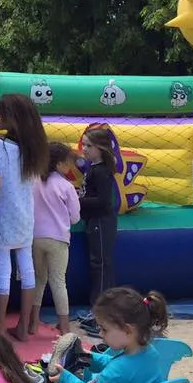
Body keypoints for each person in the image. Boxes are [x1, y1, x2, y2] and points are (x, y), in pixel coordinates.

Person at [0, 94, 49, 340]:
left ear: (12, 119)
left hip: (2, 215)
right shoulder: (34, 150)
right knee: (27, 269)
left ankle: (0, 325)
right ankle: (24, 324)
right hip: (25, 217)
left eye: (1, 113)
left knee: (2, 272)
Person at [31, 142, 81, 335]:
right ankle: (65, 326)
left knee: (39, 279)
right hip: (58, 239)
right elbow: (75, 217)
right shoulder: (66, 186)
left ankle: (32, 322)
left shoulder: (35, 181)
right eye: (68, 162)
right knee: (58, 281)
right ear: (59, 164)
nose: (71, 166)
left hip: (36, 237)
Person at [78, 127, 119, 336]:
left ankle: (100, 317)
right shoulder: (93, 168)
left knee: (100, 265)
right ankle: (98, 312)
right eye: (83, 144)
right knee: (98, 265)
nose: (84, 149)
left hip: (101, 222)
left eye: (89, 145)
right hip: (95, 221)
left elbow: (103, 202)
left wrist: (78, 200)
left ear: (101, 148)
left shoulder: (102, 171)